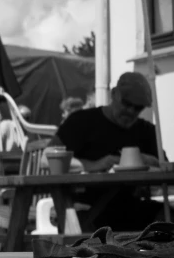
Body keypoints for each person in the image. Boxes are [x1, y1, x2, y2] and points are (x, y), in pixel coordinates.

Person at [47, 72, 168, 230]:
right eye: (126, 103)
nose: (131, 111)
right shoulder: (81, 122)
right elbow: (46, 157)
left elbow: (164, 168)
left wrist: (145, 160)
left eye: (137, 107)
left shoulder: (146, 131)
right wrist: (93, 165)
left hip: (132, 207)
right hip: (86, 208)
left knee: (167, 218)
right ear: (113, 95)